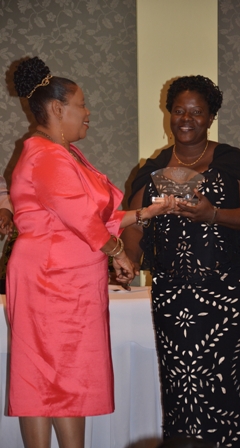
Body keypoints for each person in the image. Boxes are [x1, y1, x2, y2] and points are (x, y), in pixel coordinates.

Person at [6, 56, 175, 448]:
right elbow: (82, 220)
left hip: (67, 278)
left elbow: (96, 218)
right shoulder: (45, 154)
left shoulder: (62, 154)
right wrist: (119, 253)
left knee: (67, 375)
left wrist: (145, 213)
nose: (87, 113)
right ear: (57, 108)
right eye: (82, 104)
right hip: (50, 278)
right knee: (45, 375)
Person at [122, 75, 240, 448]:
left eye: (196, 112)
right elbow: (135, 225)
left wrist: (213, 215)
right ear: (169, 114)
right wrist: (129, 260)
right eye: (179, 111)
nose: (186, 119)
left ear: (210, 117)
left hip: (231, 293)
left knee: (232, 384)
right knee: (181, 387)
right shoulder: (151, 167)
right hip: (175, 297)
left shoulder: (231, 159)